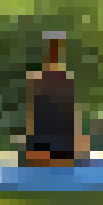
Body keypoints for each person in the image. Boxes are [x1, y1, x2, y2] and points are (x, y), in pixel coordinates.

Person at [19, 31, 89, 166]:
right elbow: (30, 112)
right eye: (52, 47)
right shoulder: (37, 80)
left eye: (56, 47)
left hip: (61, 142)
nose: (54, 52)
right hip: (44, 140)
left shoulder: (66, 80)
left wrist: (79, 141)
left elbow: (72, 113)